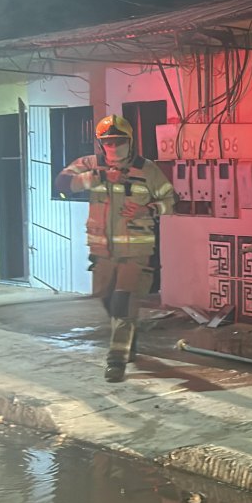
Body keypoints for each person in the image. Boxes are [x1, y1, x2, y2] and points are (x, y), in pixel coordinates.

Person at [55, 115, 177, 383]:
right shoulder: (89, 164)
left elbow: (172, 200)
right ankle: (128, 336)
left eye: (119, 141)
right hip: (102, 252)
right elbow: (62, 185)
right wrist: (97, 176)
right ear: (101, 143)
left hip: (136, 251)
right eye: (108, 141)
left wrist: (148, 208)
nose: (114, 146)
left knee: (123, 303)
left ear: (129, 141)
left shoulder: (147, 169)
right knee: (106, 298)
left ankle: (116, 361)